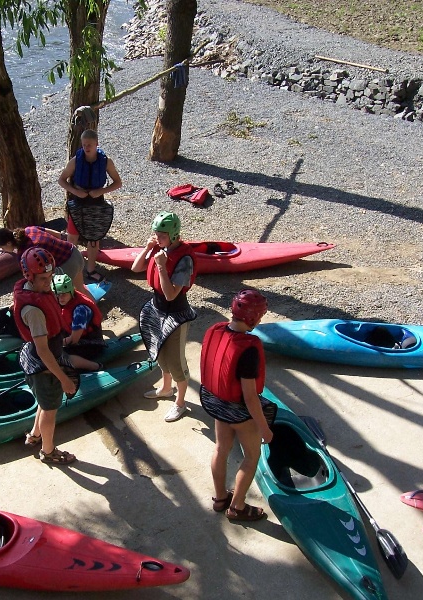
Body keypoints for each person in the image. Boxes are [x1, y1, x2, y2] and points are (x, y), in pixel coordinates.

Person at [200, 290, 276, 522]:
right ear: (252, 317)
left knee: (221, 448)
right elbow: (250, 397)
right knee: (252, 456)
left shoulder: (216, 330)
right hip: (238, 410)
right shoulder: (249, 349)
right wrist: (265, 429)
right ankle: (237, 507)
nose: (261, 319)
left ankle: (221, 497)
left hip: (215, 402)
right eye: (260, 315)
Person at [13, 248, 78, 465]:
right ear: (29, 276)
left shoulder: (28, 289)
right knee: (50, 410)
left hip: (39, 359)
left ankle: (34, 435)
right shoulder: (34, 311)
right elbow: (42, 350)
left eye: (50, 277)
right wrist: (64, 379)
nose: (48, 284)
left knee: (44, 402)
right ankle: (48, 452)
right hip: (43, 364)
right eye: (43, 279)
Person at [130, 212, 196, 423]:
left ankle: (181, 403)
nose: (157, 239)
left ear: (174, 235)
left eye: (161, 236)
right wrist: (148, 248)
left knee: (176, 361)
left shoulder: (184, 259)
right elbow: (135, 268)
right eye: (155, 235)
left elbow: (170, 294)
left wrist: (160, 266)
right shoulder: (160, 249)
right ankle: (166, 389)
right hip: (157, 310)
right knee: (159, 353)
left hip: (175, 313)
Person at [57, 129, 122, 283]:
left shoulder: (106, 161)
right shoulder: (75, 161)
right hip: (78, 203)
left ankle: (90, 270)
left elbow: (118, 183)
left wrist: (101, 191)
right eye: (84, 145)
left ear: (96, 144)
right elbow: (61, 180)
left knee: (93, 239)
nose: (86, 148)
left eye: (90, 145)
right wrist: (75, 192)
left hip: (96, 203)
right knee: (72, 237)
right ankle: (70, 268)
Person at [0, 225, 94, 302]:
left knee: (58, 298)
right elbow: (58, 235)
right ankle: (95, 312)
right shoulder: (29, 229)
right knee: (81, 289)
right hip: (74, 253)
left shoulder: (24, 255)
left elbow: (32, 278)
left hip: (67, 265)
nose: (4, 250)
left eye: (3, 248)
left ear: (8, 243)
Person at [51, 274, 107, 362]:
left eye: (64, 294)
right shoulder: (64, 301)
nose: (60, 298)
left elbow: (73, 340)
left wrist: (52, 346)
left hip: (91, 344)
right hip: (73, 336)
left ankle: (94, 366)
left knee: (57, 354)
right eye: (57, 295)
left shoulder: (80, 310)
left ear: (71, 291)